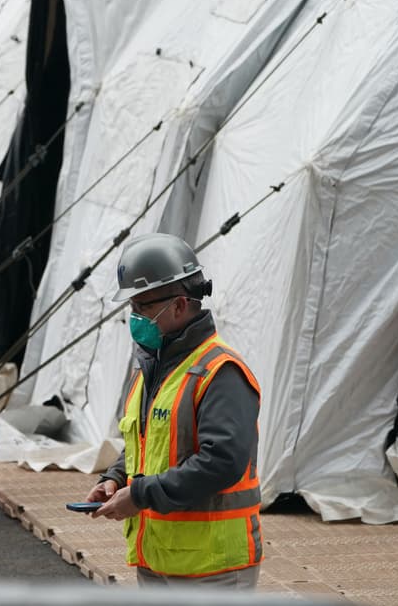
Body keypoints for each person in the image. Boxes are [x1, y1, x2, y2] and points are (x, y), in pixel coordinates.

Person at [85, 232, 263, 588]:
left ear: (180, 305)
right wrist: (116, 477)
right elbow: (146, 439)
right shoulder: (154, 368)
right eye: (132, 307)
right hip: (159, 557)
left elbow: (222, 461)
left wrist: (139, 495)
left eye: (143, 308)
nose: (134, 318)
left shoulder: (220, 371)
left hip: (214, 569)